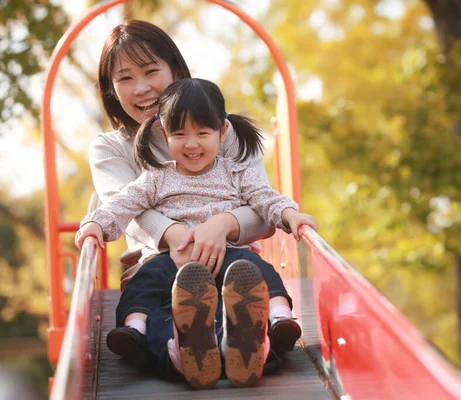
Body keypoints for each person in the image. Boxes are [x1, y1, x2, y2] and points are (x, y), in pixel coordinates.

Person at [87, 20, 303, 384]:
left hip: (230, 256)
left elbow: (261, 206)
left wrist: (223, 225)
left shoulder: (222, 131)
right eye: (124, 78)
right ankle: (182, 353)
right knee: (163, 314)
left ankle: (253, 349)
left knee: (240, 304)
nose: (141, 88)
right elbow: (128, 208)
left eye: (151, 71)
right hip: (159, 264)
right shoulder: (111, 148)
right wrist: (176, 237)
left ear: (175, 70)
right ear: (111, 89)